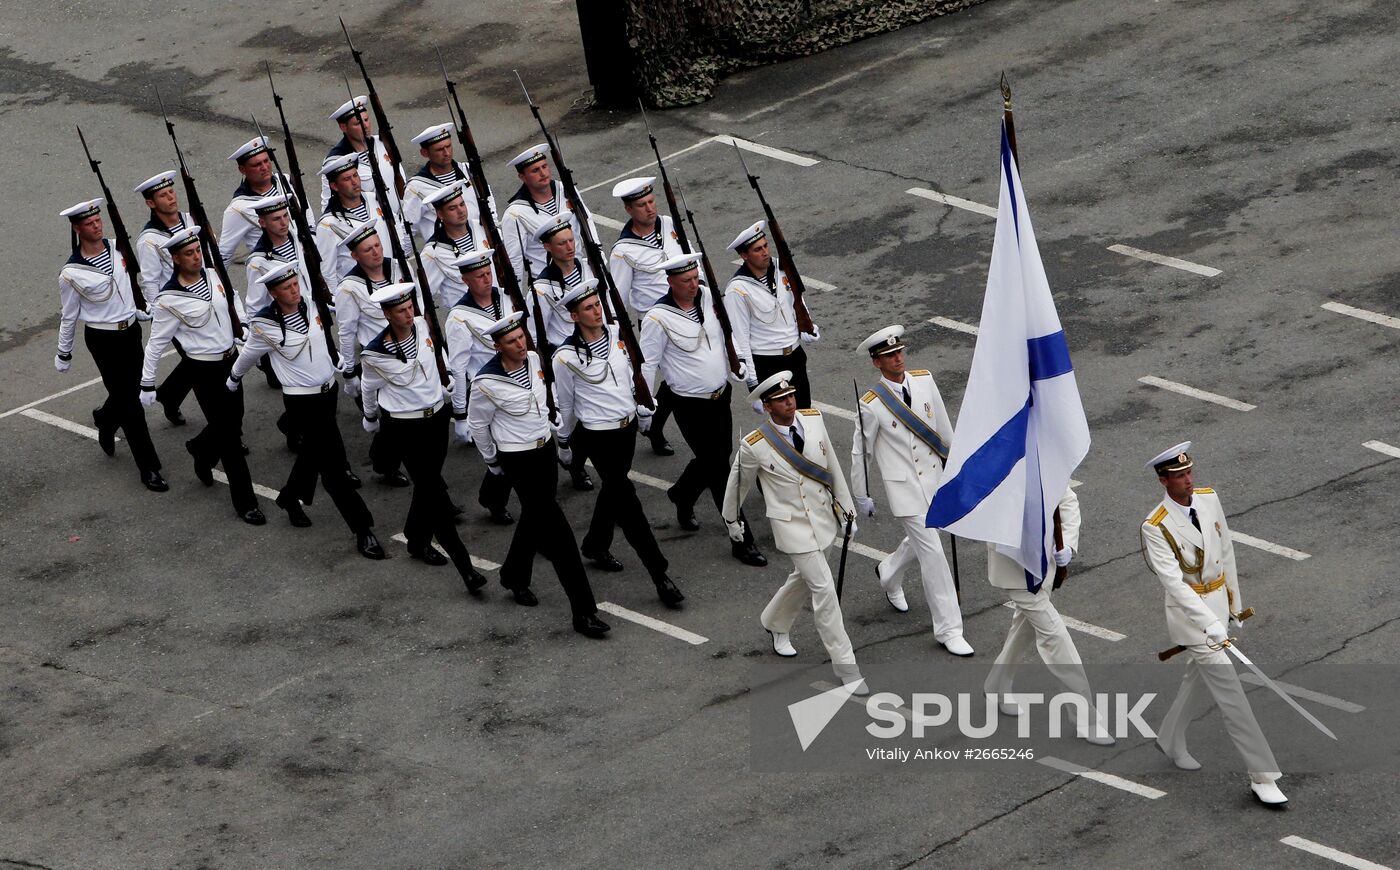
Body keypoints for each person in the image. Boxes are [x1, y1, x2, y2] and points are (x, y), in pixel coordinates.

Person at [1141, 442, 1286, 805]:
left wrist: (1234, 607)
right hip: (1193, 621)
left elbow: (1226, 552)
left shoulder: (1208, 499)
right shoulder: (1155, 526)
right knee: (1232, 695)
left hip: (1218, 608)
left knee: (1196, 680)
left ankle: (1169, 739)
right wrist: (1208, 623)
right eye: (1179, 476)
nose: (1188, 480)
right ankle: (1263, 775)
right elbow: (1174, 584)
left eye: (1189, 472)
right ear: (1163, 481)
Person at [466, 312, 611, 638]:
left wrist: (559, 434)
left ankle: (514, 575)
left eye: (521, 338)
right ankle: (584, 612)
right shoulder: (486, 383)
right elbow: (478, 425)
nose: (520, 344)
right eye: (511, 341)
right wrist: (492, 461)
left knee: (534, 515)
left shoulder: (533, 359)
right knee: (560, 538)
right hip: (517, 459)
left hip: (543, 450)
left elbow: (547, 398)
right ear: (497, 346)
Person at [226, 262, 385, 559]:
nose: (294, 290)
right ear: (273, 293)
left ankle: (289, 497)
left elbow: (322, 339)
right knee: (334, 467)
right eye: (287, 288)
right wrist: (233, 378)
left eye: (296, 284)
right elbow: (249, 354)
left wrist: (336, 361)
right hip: (302, 403)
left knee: (313, 453)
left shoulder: (310, 306)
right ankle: (363, 529)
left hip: (328, 393)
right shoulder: (265, 324)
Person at [722, 371, 864, 693]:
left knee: (804, 579)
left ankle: (774, 622)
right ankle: (847, 667)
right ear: (767, 407)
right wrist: (732, 522)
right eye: (781, 400)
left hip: (824, 521)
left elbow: (832, 471)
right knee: (824, 591)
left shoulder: (814, 421)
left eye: (791, 396)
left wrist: (848, 512)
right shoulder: (754, 445)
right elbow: (737, 486)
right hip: (792, 529)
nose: (790, 402)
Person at [552, 281, 685, 607]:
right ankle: (660, 574)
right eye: (588, 308)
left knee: (614, 490)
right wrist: (565, 442)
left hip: (625, 432)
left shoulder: (617, 335)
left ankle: (596, 543)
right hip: (598, 436)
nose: (596, 311)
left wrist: (642, 411)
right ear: (574, 315)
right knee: (628, 503)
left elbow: (631, 376)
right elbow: (566, 406)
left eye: (598, 305)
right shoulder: (565, 357)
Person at [850, 325, 971, 656]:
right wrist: (861, 494)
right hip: (905, 490)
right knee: (933, 553)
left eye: (899, 352)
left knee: (923, 542)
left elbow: (943, 427)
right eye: (889, 356)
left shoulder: (924, 380)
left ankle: (888, 570)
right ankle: (948, 629)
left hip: (934, 481)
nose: (897, 358)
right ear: (877, 363)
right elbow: (862, 451)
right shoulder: (872, 404)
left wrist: (956, 471)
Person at [639, 253, 765, 568]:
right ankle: (741, 539)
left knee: (715, 459)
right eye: (686, 281)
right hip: (689, 404)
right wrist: (644, 406)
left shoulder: (706, 295)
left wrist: (739, 368)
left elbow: (725, 334)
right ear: (670, 282)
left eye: (696, 278)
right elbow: (647, 365)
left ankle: (683, 493)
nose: (694, 285)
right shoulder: (657, 318)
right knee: (722, 472)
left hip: (720, 396)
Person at [359, 283, 486, 592]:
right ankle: (466, 569)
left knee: (429, 484)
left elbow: (434, 357)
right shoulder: (375, 354)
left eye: (409, 306)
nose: (409, 312)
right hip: (406, 429)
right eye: (401, 310)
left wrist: (446, 391)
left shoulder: (421, 324)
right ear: (387, 314)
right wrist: (371, 417)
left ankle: (416, 538)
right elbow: (368, 387)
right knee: (435, 494)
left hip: (435, 420)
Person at [138, 226, 261, 523]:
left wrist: (242, 325)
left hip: (230, 362)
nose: (196, 257)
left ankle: (202, 449)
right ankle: (246, 502)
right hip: (203, 371)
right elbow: (156, 343)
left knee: (234, 420)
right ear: (176, 259)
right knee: (230, 439)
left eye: (197, 251)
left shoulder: (213, 274)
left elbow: (232, 299)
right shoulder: (170, 300)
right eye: (189, 253)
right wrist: (147, 382)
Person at [981, 485, 1114, 745]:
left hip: (1043, 564)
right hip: (1013, 565)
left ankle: (995, 685)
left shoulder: (1043, 455)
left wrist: (1069, 545)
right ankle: (1086, 719)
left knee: (1024, 627)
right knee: (1056, 637)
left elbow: (1068, 500)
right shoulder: (997, 458)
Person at [56, 198, 165, 492]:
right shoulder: (71, 273)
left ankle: (105, 419)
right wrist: (63, 352)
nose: (97, 225)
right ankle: (149, 467)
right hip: (103, 340)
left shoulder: (118, 248)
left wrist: (139, 309)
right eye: (89, 223)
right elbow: (69, 316)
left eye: (98, 219)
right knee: (131, 404)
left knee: (130, 389)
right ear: (77, 228)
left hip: (130, 333)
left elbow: (129, 284)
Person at [335, 221, 420, 489]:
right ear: (355, 256)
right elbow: (347, 332)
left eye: (377, 246)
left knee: (399, 421)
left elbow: (416, 309)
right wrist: (349, 372)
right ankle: (390, 466)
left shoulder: (398, 268)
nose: (375, 252)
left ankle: (383, 460)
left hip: (409, 352)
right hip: (378, 361)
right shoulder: (349, 288)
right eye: (367, 249)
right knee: (392, 421)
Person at [608, 177, 680, 456]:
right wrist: (617, 338)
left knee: (678, 379)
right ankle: (650, 422)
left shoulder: (668, 225)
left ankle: (653, 425)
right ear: (629, 210)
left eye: (651, 202)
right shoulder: (623, 251)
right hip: (654, 323)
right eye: (641, 205)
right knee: (662, 377)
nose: (649, 209)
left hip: (684, 313)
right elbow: (618, 299)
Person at [443, 249, 515, 525]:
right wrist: (461, 414)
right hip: (487, 388)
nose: (487, 279)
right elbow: (459, 368)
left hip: (517, 379)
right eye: (479, 276)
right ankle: (495, 500)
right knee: (505, 448)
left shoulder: (505, 298)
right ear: (466, 280)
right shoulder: (460, 318)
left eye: (488, 273)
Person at [724, 220, 818, 407]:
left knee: (806, 417)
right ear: (744, 255)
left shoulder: (782, 268)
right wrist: (753, 386)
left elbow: (797, 300)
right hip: (768, 363)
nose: (765, 252)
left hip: (796, 357)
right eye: (757, 250)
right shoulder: (738, 289)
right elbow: (741, 339)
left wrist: (808, 328)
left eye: (766, 246)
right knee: (782, 423)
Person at [133, 170, 195, 427]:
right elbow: (149, 280)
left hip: (202, 300)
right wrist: (161, 312)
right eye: (163, 195)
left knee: (199, 360)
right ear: (151, 203)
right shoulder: (149, 240)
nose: (171, 198)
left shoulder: (189, 219)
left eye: (172, 192)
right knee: (201, 361)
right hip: (177, 310)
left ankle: (169, 395)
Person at [499, 144, 599, 289]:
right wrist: (518, 302)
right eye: (535, 170)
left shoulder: (566, 189)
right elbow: (515, 261)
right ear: (522, 177)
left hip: (581, 274)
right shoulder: (515, 214)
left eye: (545, 166)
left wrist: (599, 258)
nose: (543, 173)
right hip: (548, 286)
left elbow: (587, 221)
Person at [402, 122, 496, 246]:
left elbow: (488, 200)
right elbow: (408, 229)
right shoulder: (416, 187)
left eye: (449, 146)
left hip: (481, 243)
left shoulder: (468, 170)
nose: (447, 153)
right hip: (446, 254)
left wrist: (494, 232)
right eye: (440, 149)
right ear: (424, 153)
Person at [315, 153, 391, 291]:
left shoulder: (373, 199)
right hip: (360, 291)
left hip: (390, 278)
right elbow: (327, 271)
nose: (355, 182)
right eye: (347, 179)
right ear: (335, 186)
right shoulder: (328, 224)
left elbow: (395, 228)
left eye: (355, 175)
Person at [220, 137, 301, 267]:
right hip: (275, 270)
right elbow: (224, 254)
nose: (265, 167)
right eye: (257, 164)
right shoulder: (238, 208)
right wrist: (217, 285)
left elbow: (305, 211)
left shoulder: (284, 181)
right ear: (242, 169)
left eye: (266, 161)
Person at [319, 96, 403, 220]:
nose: (366, 126)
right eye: (358, 123)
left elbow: (400, 177)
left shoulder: (382, 143)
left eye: (366, 120)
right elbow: (329, 202)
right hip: (370, 226)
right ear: (343, 127)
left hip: (400, 220)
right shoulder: (336, 161)